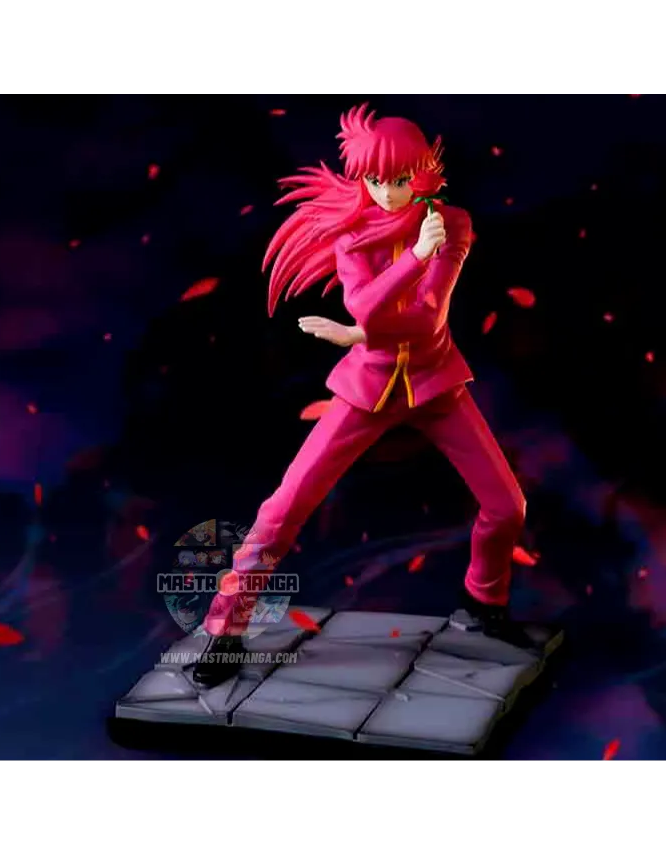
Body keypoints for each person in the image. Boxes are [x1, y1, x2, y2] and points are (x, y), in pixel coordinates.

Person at [194, 104, 537, 687]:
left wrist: (358, 331)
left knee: (507, 506)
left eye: (398, 179)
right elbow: (363, 305)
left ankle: (484, 603)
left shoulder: (451, 224)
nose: (385, 192)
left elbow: (427, 317)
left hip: (435, 384)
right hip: (367, 387)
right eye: (374, 179)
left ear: (421, 174)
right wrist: (409, 267)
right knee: (280, 511)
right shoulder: (353, 235)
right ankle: (224, 630)